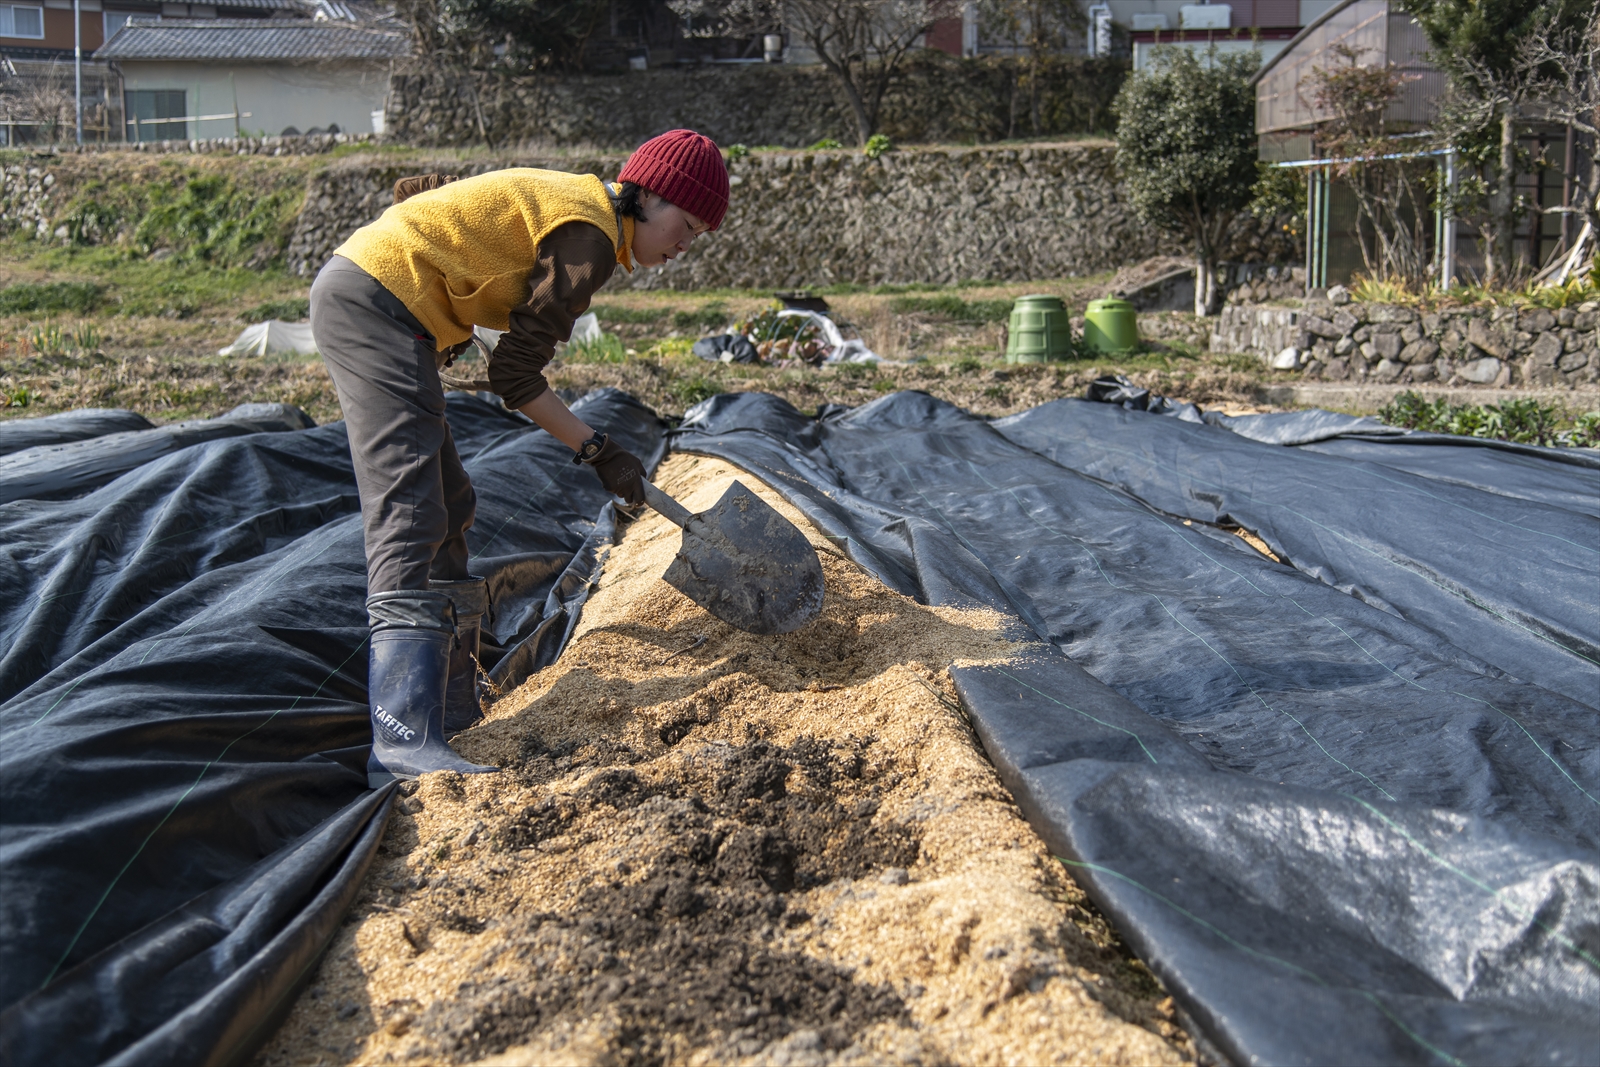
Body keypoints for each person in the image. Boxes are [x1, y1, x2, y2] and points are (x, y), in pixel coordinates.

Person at [309, 129, 730, 788]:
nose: (685, 244)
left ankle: (447, 708)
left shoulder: (582, 212)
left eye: (700, 234)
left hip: (395, 308)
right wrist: (598, 449)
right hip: (376, 307)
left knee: (452, 504)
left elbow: (438, 204)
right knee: (410, 505)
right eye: (685, 222)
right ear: (645, 195)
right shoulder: (588, 235)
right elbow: (516, 378)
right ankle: (401, 734)